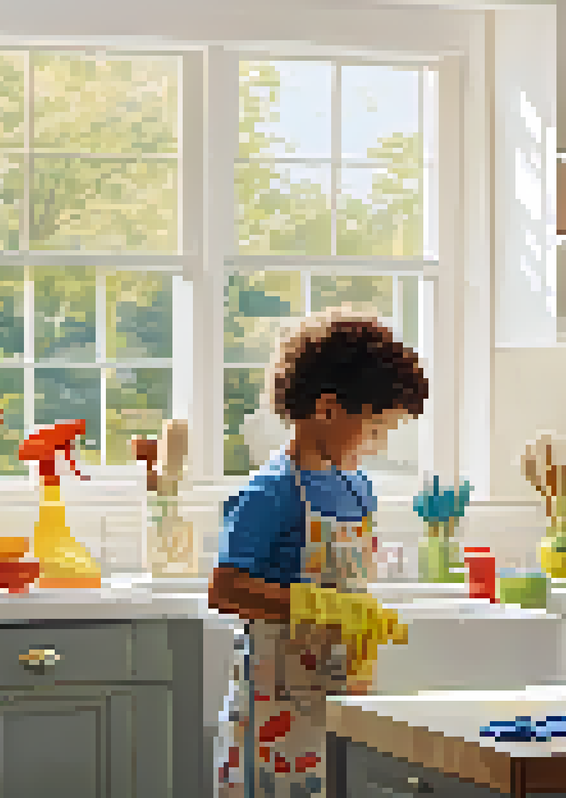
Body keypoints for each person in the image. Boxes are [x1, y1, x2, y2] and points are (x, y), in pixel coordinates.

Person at [209, 308, 426, 797]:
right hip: (274, 707)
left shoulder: (358, 489)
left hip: (338, 693)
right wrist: (320, 605)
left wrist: (363, 621)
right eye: (374, 430)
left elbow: (350, 580)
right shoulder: (269, 494)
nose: (378, 444)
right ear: (327, 409)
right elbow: (224, 588)